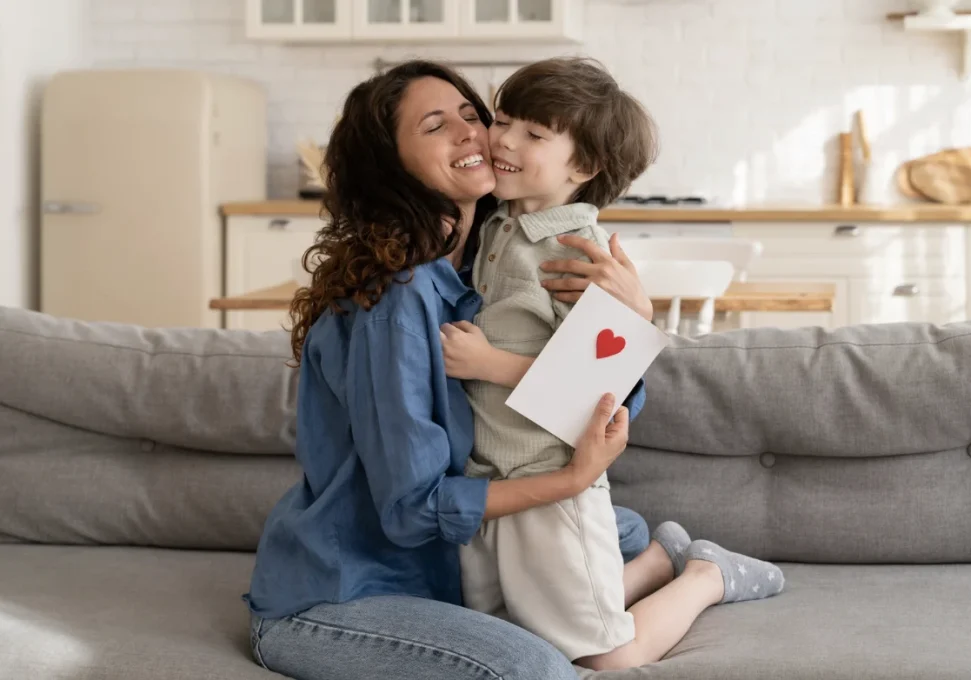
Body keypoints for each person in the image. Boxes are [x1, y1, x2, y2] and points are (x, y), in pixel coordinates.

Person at [243, 60, 658, 680]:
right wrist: (571, 481)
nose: (474, 134)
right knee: (537, 670)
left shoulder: (487, 264)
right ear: (393, 166)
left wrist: (632, 314)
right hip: (350, 589)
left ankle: (660, 559)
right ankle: (694, 575)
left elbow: (601, 401)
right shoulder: (400, 297)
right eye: (436, 126)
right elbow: (413, 509)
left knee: (618, 529)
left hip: (456, 557)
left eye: (472, 114)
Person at [439, 58, 785, 671]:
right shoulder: (498, 223)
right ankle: (656, 560)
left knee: (607, 657)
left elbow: (594, 387)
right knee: (511, 631)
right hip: (490, 477)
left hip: (551, 477)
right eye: (505, 120)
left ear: (583, 167)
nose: (504, 140)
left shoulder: (577, 255)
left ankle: (705, 575)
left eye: (534, 135)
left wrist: (488, 363)